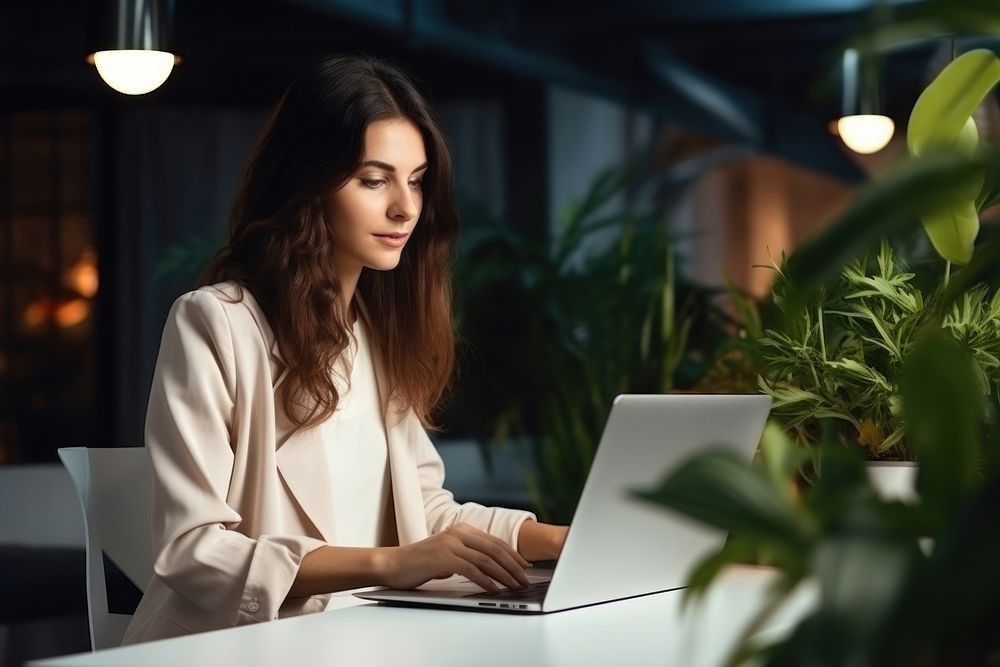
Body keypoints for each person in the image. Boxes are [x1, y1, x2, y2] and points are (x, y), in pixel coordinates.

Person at [121, 54, 568, 645]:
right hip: (234, 645)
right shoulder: (216, 322)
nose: (405, 208)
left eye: (415, 179)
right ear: (309, 182)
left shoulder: (379, 333)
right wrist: (391, 565)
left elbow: (424, 514)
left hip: (363, 639)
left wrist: (565, 539)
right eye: (374, 179)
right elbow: (192, 549)